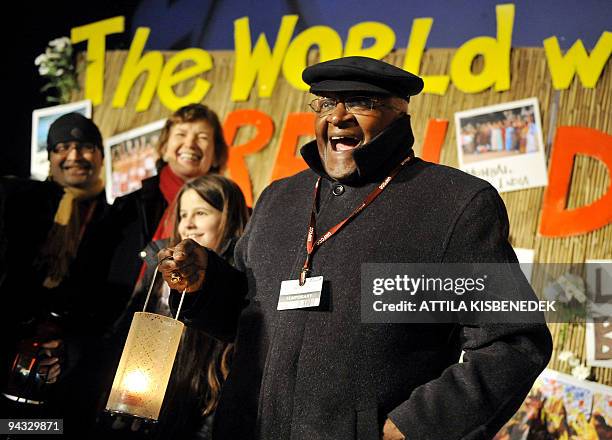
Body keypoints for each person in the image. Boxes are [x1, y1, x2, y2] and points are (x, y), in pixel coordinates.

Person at [158, 57, 553, 440]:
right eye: (327, 103)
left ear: (400, 113)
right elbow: (246, 316)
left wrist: (418, 426)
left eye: (362, 102)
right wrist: (204, 283)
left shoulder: (454, 204)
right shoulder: (279, 199)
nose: (338, 116)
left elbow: (514, 341)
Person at [104, 175, 249, 439]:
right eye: (183, 214)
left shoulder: (241, 289)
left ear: (228, 219)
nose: (188, 224)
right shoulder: (156, 273)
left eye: (201, 212)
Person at [0, 112, 115, 435]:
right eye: (62, 147)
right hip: (10, 357)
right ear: (50, 157)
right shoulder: (20, 204)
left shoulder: (118, 219)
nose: (74, 156)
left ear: (101, 156)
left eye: (86, 147)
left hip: (72, 376)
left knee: (51, 430)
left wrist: (70, 348)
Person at [103, 103, 229, 324]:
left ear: (217, 154)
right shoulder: (128, 208)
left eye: (202, 137)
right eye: (181, 134)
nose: (190, 143)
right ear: (163, 147)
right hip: (114, 331)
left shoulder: (232, 212)